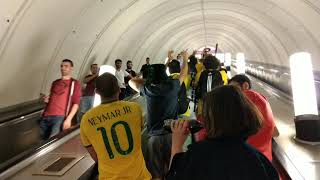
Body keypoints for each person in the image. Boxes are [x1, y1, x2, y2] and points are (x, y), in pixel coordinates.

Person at [167, 85, 279, 180]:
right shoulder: (260, 161)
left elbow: (175, 175)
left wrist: (177, 145)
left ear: (210, 118)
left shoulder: (196, 155)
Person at [129, 50, 189, 180]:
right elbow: (184, 72)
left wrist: (147, 79)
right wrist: (185, 58)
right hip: (172, 136)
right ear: (165, 75)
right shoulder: (173, 86)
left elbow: (131, 81)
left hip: (154, 138)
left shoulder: (148, 90)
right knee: (174, 170)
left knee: (155, 174)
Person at [80, 73, 151, 180]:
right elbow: (138, 131)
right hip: (139, 176)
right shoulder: (135, 109)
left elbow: (95, 156)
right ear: (119, 89)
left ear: (96, 92)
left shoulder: (86, 119)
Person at [229, 74, 279, 161]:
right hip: (265, 160)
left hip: (245, 159)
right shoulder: (263, 99)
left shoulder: (240, 98)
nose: (231, 92)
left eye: (234, 88)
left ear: (245, 85)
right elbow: (275, 132)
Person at [40, 59, 81, 139]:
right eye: (61, 66)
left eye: (66, 66)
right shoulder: (55, 82)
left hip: (59, 117)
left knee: (53, 142)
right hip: (46, 116)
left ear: (71, 68)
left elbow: (76, 103)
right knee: (42, 143)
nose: (63, 68)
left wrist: (69, 119)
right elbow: (51, 98)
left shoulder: (74, 83)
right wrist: (46, 102)